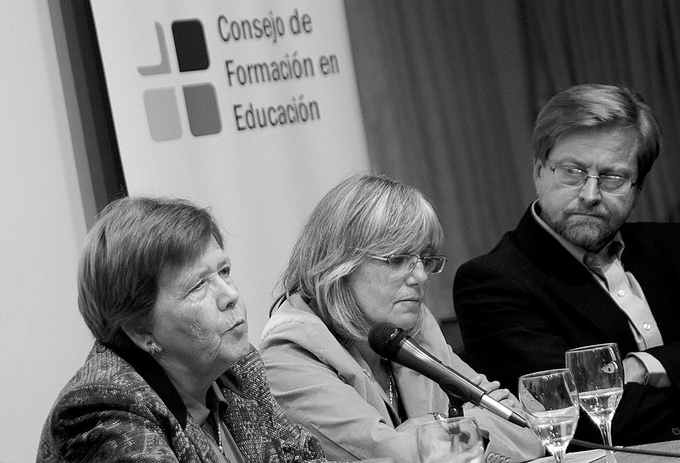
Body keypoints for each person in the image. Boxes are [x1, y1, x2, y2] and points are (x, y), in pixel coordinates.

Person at [259, 174, 543, 462]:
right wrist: (461, 426)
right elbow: (392, 456)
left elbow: (525, 426)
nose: (420, 277)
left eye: (425, 258)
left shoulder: (415, 327)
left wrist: (431, 427)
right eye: (397, 260)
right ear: (339, 264)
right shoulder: (289, 356)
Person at [454, 83, 680, 446]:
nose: (590, 194)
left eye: (613, 178)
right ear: (540, 171)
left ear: (638, 187)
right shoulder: (492, 281)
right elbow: (591, 421)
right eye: (573, 172)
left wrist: (645, 366)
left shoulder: (672, 247)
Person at [37, 196, 334, 463]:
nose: (229, 295)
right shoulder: (102, 409)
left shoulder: (238, 368)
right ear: (141, 330)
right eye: (197, 285)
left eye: (224, 271)